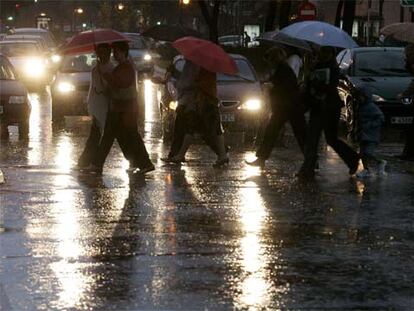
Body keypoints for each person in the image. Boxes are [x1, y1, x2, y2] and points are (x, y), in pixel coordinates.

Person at [88, 41, 154, 175]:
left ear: (123, 52)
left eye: (116, 52)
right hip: (118, 108)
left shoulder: (127, 68)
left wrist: (106, 74)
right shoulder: (120, 67)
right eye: (114, 52)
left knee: (128, 136)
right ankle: (138, 162)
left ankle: (145, 163)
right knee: (119, 137)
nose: (114, 55)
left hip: (125, 109)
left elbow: (120, 83)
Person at [298, 46, 360, 179]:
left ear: (330, 54)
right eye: (321, 52)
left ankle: (352, 158)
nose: (322, 55)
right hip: (318, 107)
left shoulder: (333, 69)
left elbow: (330, 87)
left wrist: (314, 81)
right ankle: (308, 169)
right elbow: (308, 87)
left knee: (330, 139)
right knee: (313, 139)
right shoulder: (315, 66)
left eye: (325, 52)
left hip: (329, 107)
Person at [246, 47, 306, 167]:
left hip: (287, 107)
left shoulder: (284, 70)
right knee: (278, 132)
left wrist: (271, 86)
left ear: (274, 59)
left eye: (269, 60)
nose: (269, 64)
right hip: (287, 107)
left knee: (296, 133)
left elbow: (285, 88)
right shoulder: (282, 69)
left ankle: (311, 159)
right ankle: (262, 158)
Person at [166, 59, 228, 167]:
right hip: (206, 101)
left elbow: (197, 83)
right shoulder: (206, 65)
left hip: (204, 101)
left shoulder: (204, 66)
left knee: (197, 129)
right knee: (206, 129)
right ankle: (222, 155)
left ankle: (222, 154)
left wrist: (191, 82)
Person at [76, 43, 113, 169]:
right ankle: (87, 162)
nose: (102, 56)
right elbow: (93, 89)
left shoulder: (110, 69)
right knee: (96, 135)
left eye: (104, 53)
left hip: (107, 106)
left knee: (102, 137)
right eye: (99, 53)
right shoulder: (95, 69)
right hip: (97, 105)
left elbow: (109, 88)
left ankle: (90, 162)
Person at [355, 84, 387, 178]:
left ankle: (380, 162)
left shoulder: (371, 107)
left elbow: (381, 118)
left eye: (361, 96)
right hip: (363, 134)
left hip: (372, 135)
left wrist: (370, 125)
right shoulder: (361, 106)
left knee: (368, 153)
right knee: (362, 154)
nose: (359, 98)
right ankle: (366, 170)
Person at [398, 43, 414, 161]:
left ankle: (409, 153)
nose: (405, 54)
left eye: (407, 53)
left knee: (411, 129)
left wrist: (404, 94)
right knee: (410, 128)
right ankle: (408, 152)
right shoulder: (411, 64)